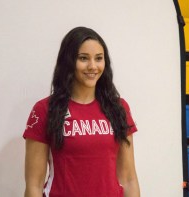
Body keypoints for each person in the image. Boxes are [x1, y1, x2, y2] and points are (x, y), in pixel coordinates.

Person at [23, 26, 140, 197]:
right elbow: (34, 185)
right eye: (83, 58)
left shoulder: (119, 108)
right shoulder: (44, 110)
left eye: (99, 58)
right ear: (69, 61)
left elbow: (129, 178)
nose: (93, 66)